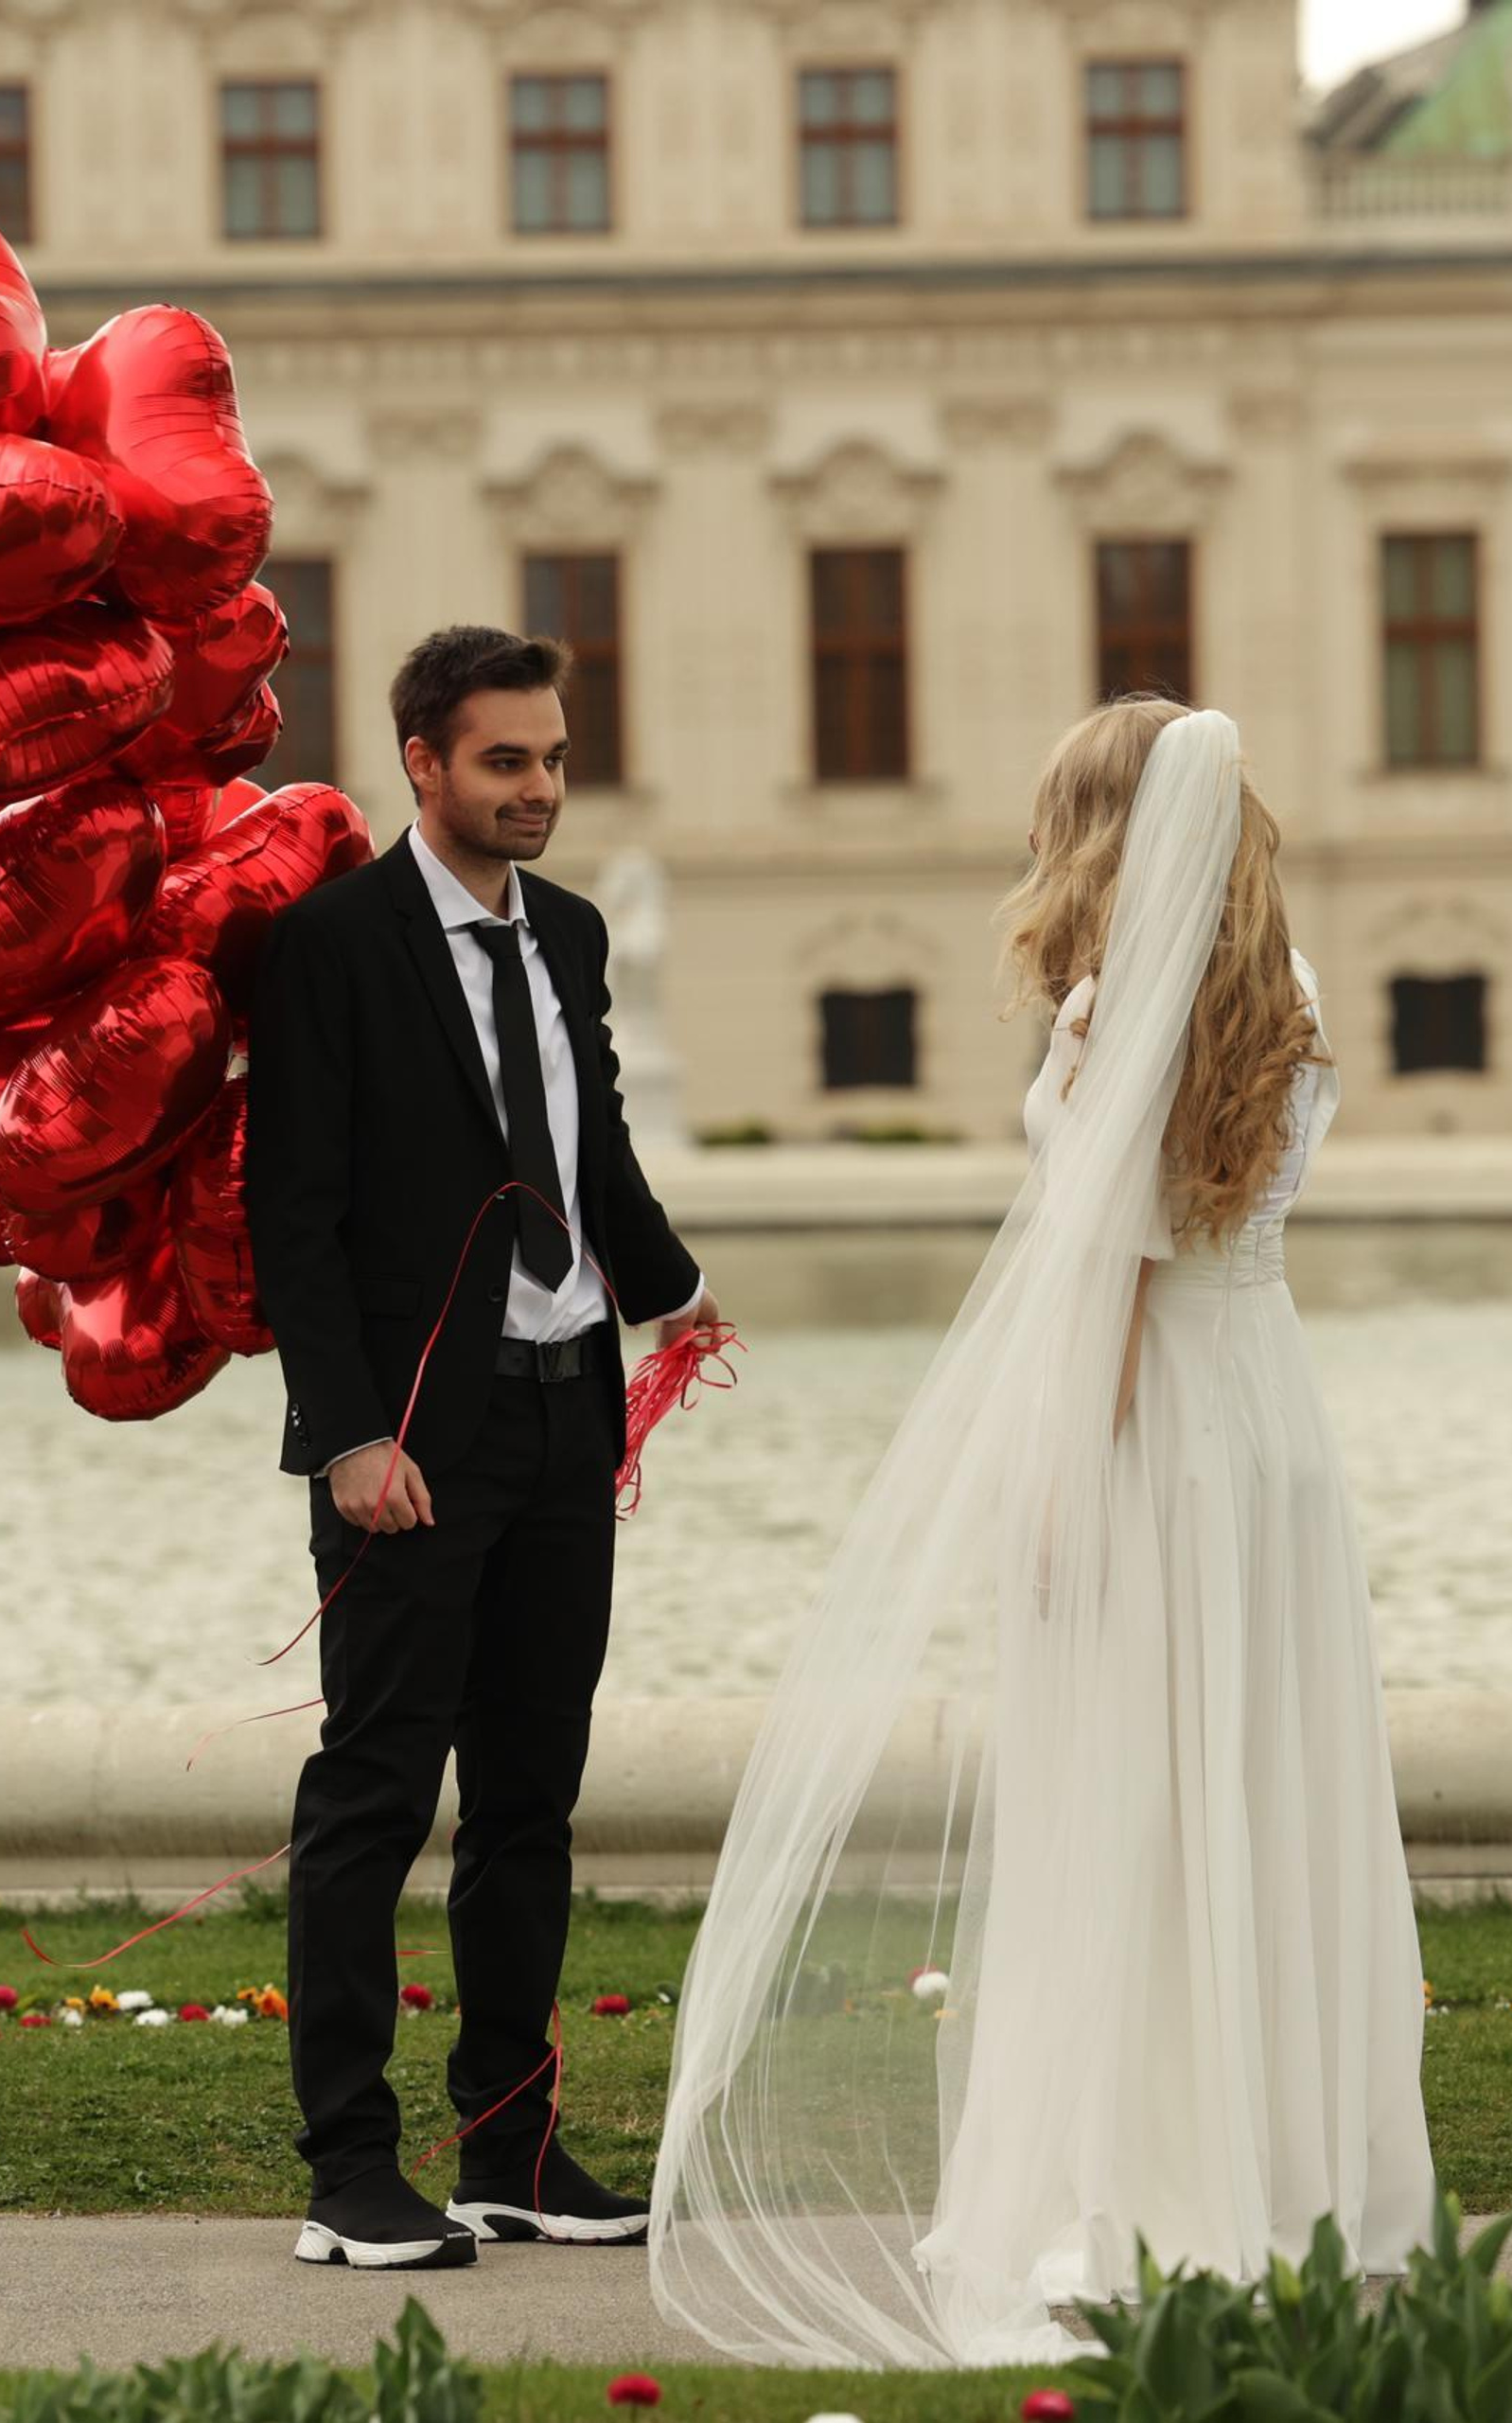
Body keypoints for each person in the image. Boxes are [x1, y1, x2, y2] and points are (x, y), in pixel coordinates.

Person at [648, 701, 1435, 2367]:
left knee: (1133, 1796)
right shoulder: (1286, 999)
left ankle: (1151, 2177)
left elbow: (1118, 1284)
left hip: (1155, 1433)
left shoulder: (1103, 1015)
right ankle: (1280, 2162)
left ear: (1096, 828)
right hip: (1271, 1424)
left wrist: (1062, 1484)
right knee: (1253, 1780)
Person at [245, 625, 720, 2273]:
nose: (540, 789)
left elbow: (589, 1151)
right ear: (423, 765)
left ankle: (509, 2146)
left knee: (530, 1798)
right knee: (373, 1796)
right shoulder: (332, 949)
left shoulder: (573, 938)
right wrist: (350, 1437)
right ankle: (349, 2170)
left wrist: (679, 1297)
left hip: (558, 1414)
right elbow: (290, 1223)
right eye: (507, 760)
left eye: (556, 758)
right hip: (412, 1450)